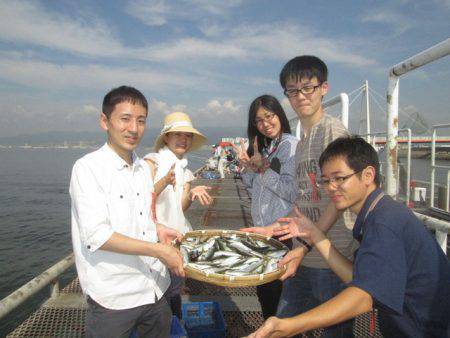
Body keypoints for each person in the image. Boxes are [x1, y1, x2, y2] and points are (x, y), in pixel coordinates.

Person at [249, 136, 450, 338]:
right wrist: (315, 234)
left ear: (368, 175)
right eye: (326, 180)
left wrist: (290, 325)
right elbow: (357, 279)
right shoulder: (380, 211)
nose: (331, 187)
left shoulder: (384, 222)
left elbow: (363, 297)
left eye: (339, 178)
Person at [246, 56, 356, 337]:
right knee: (281, 324)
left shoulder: (332, 132)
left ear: (324, 88)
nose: (300, 96)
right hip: (304, 253)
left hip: (330, 256)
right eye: (292, 91)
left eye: (308, 87)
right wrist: (275, 227)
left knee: (332, 331)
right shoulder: (306, 138)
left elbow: (339, 198)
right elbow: (305, 198)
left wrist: (306, 245)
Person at [70, 86, 185, 338]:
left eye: (141, 120)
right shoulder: (88, 168)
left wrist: (159, 230)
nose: (133, 128)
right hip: (114, 297)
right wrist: (159, 250)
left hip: (155, 287)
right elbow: (97, 235)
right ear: (105, 121)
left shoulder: (143, 169)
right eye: (125, 118)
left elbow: (143, 218)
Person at [233, 95, 298, 320]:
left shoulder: (290, 146)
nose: (265, 124)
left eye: (268, 116)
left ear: (279, 114)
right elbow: (255, 191)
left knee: (279, 301)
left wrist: (263, 170)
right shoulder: (269, 147)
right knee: (266, 296)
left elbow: (291, 192)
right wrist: (248, 168)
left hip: (283, 233)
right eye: (258, 121)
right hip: (264, 233)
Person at [144, 111, 213, 319]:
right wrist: (165, 181)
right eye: (178, 134)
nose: (184, 139)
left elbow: (180, 208)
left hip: (177, 236)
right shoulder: (152, 162)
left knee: (173, 289)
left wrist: (191, 194)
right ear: (166, 137)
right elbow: (141, 200)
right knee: (155, 293)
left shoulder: (185, 169)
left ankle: (173, 325)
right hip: (155, 239)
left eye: (188, 135)